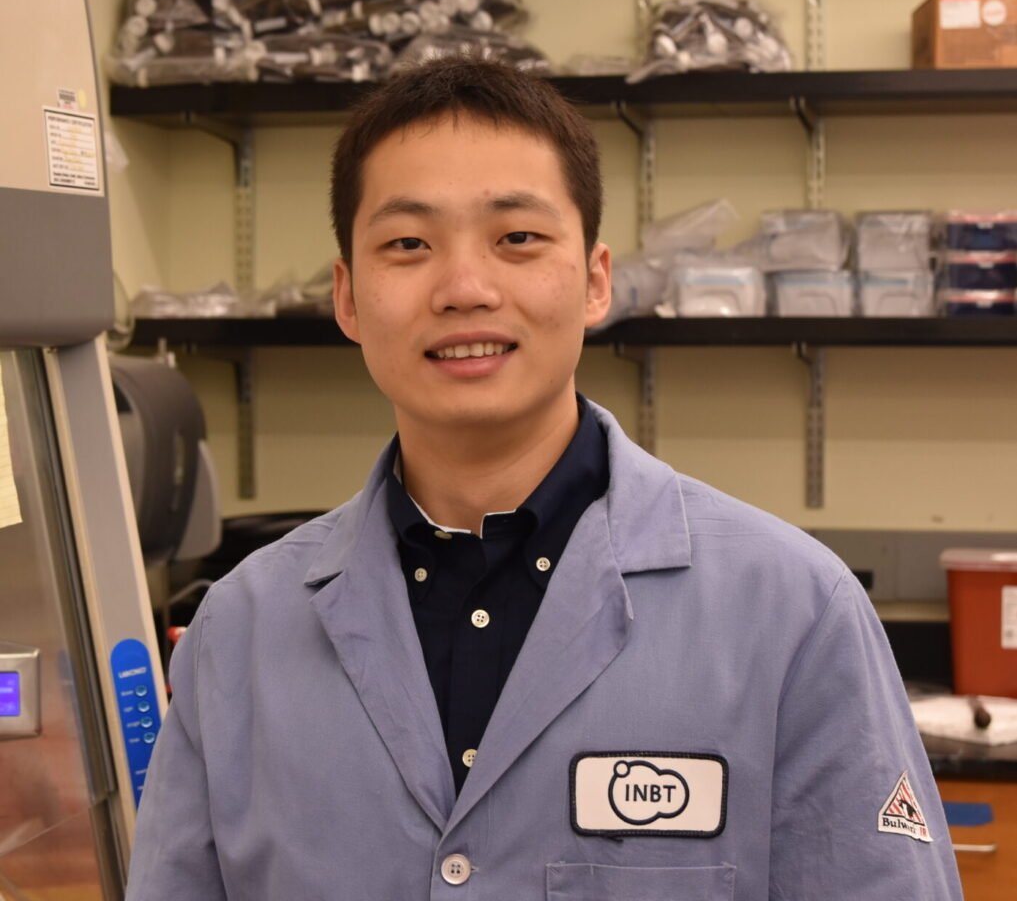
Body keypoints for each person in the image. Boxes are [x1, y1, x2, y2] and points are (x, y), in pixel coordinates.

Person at [126, 58, 963, 900]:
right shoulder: (239, 632)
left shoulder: (792, 614)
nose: (464, 288)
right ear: (347, 297)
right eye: (407, 244)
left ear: (596, 279)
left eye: (517, 238)